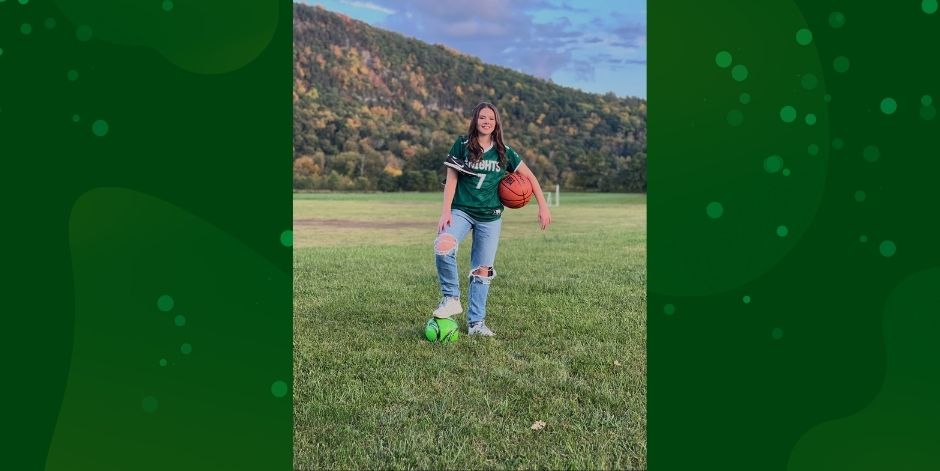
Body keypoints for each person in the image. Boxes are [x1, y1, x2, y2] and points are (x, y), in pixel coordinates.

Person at [432, 102, 552, 336]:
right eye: (482, 118)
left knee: (482, 270)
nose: (486, 121)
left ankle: (476, 324)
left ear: (496, 123)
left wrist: (543, 206)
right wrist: (445, 210)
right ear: (475, 120)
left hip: (490, 216)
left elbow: (530, 178)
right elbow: (452, 178)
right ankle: (451, 298)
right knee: (443, 246)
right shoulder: (462, 145)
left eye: (491, 118)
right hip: (462, 210)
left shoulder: (505, 152)